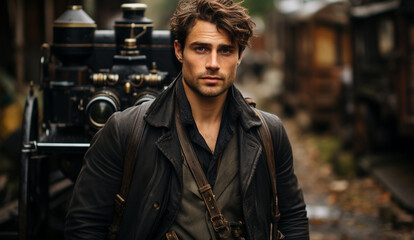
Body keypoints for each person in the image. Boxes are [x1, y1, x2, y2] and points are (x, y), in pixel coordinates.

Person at [65, 0, 309, 239]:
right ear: (179, 51)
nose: (213, 64)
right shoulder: (125, 131)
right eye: (201, 48)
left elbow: (293, 219)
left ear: (240, 56)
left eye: (225, 50)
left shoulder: (268, 133)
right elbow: (85, 226)